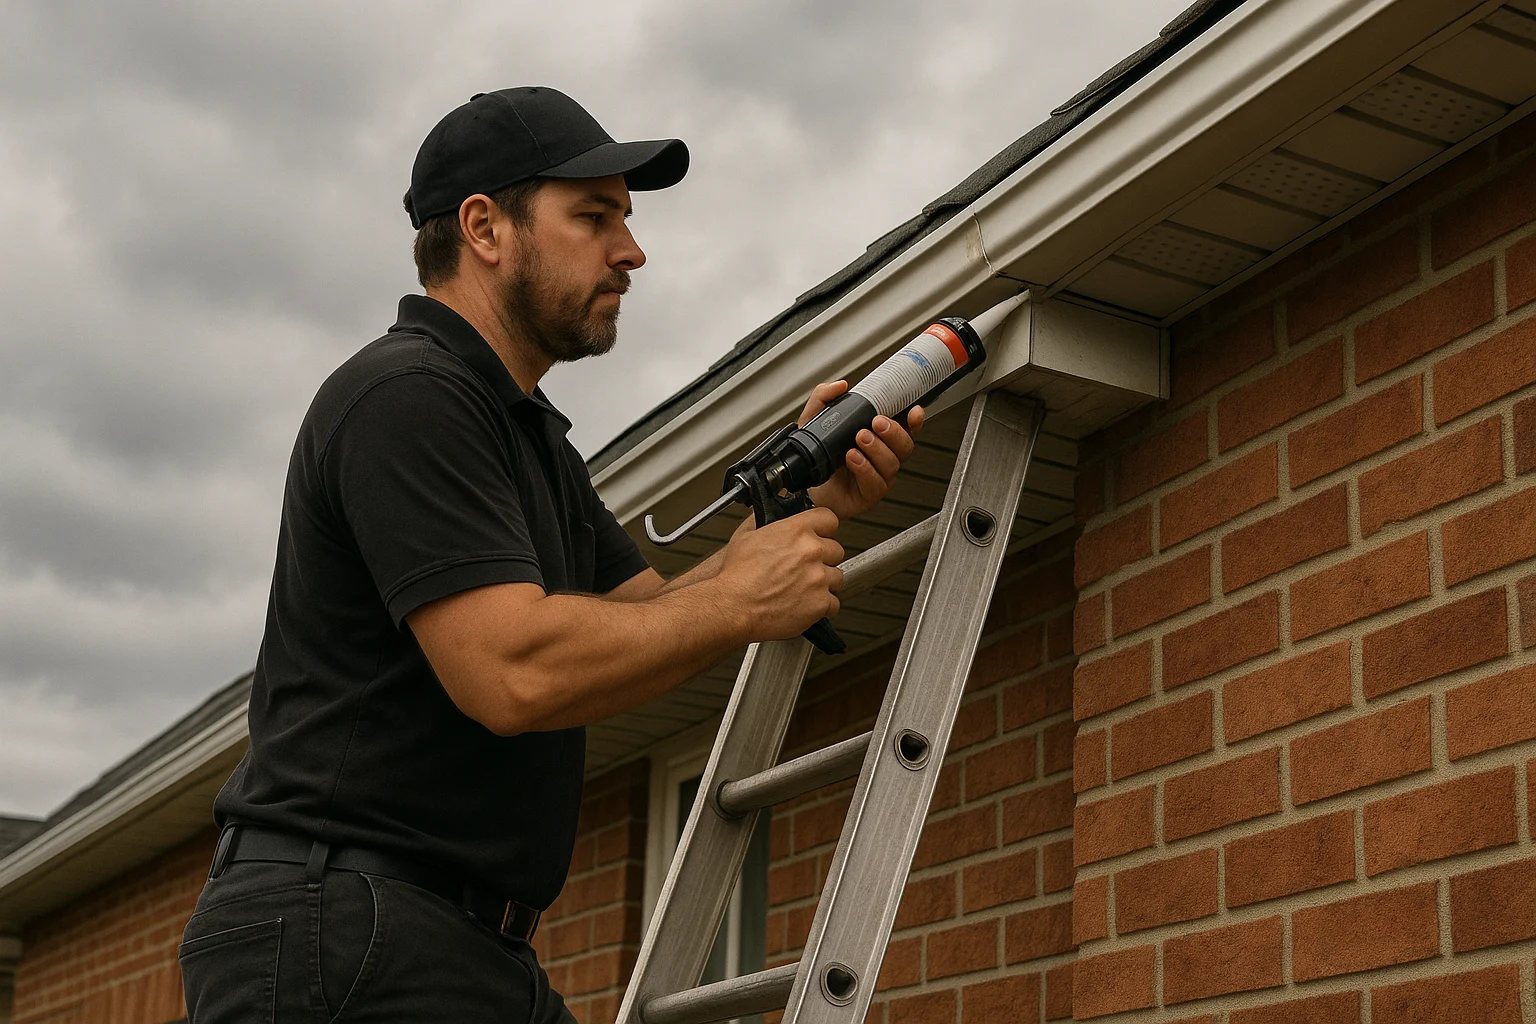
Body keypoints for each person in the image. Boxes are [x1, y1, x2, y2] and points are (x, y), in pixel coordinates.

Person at [177, 87, 922, 1022]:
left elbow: (651, 615)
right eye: (595, 217)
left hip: (453, 938)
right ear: (485, 227)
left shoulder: (528, 439)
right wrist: (740, 602)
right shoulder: (406, 396)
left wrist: (796, 504)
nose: (632, 250)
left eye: (628, 220)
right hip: (345, 928)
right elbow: (510, 669)